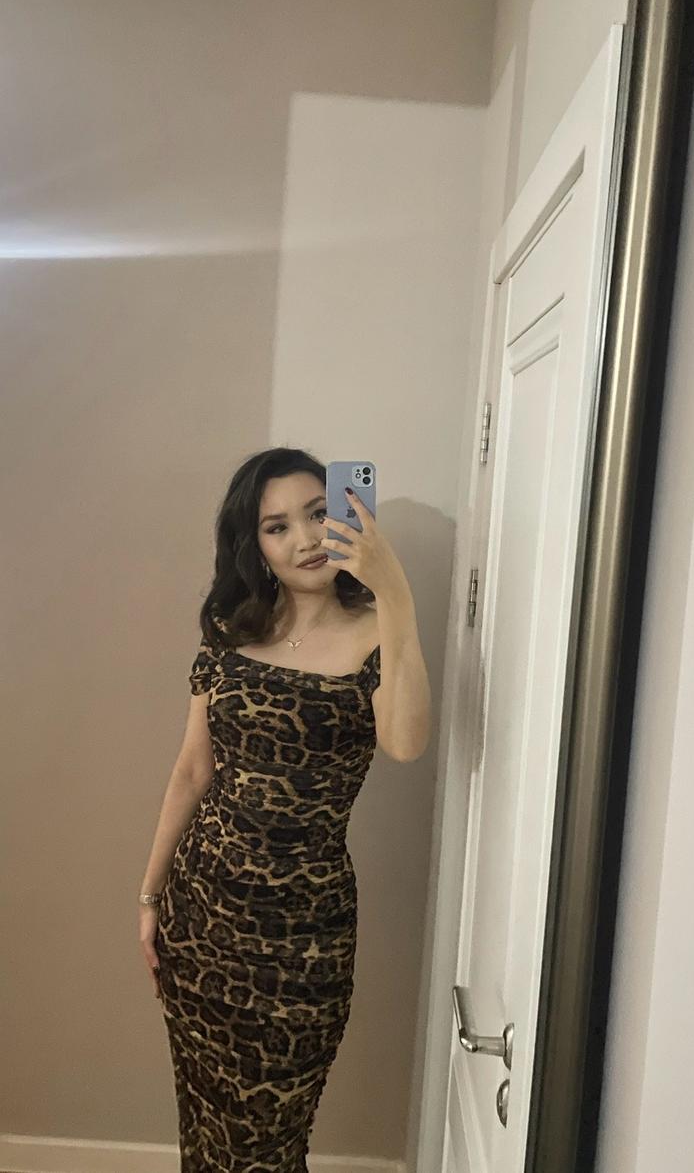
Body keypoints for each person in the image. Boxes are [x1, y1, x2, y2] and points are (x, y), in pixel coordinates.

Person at [138, 446, 431, 1172]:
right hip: (200, 919)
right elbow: (192, 770)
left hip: (304, 938)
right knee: (206, 1126)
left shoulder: (378, 633)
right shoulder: (231, 629)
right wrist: (150, 895)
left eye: (319, 513)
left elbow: (405, 743)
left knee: (269, 1142)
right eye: (277, 527)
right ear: (256, 546)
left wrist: (395, 591)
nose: (304, 539)